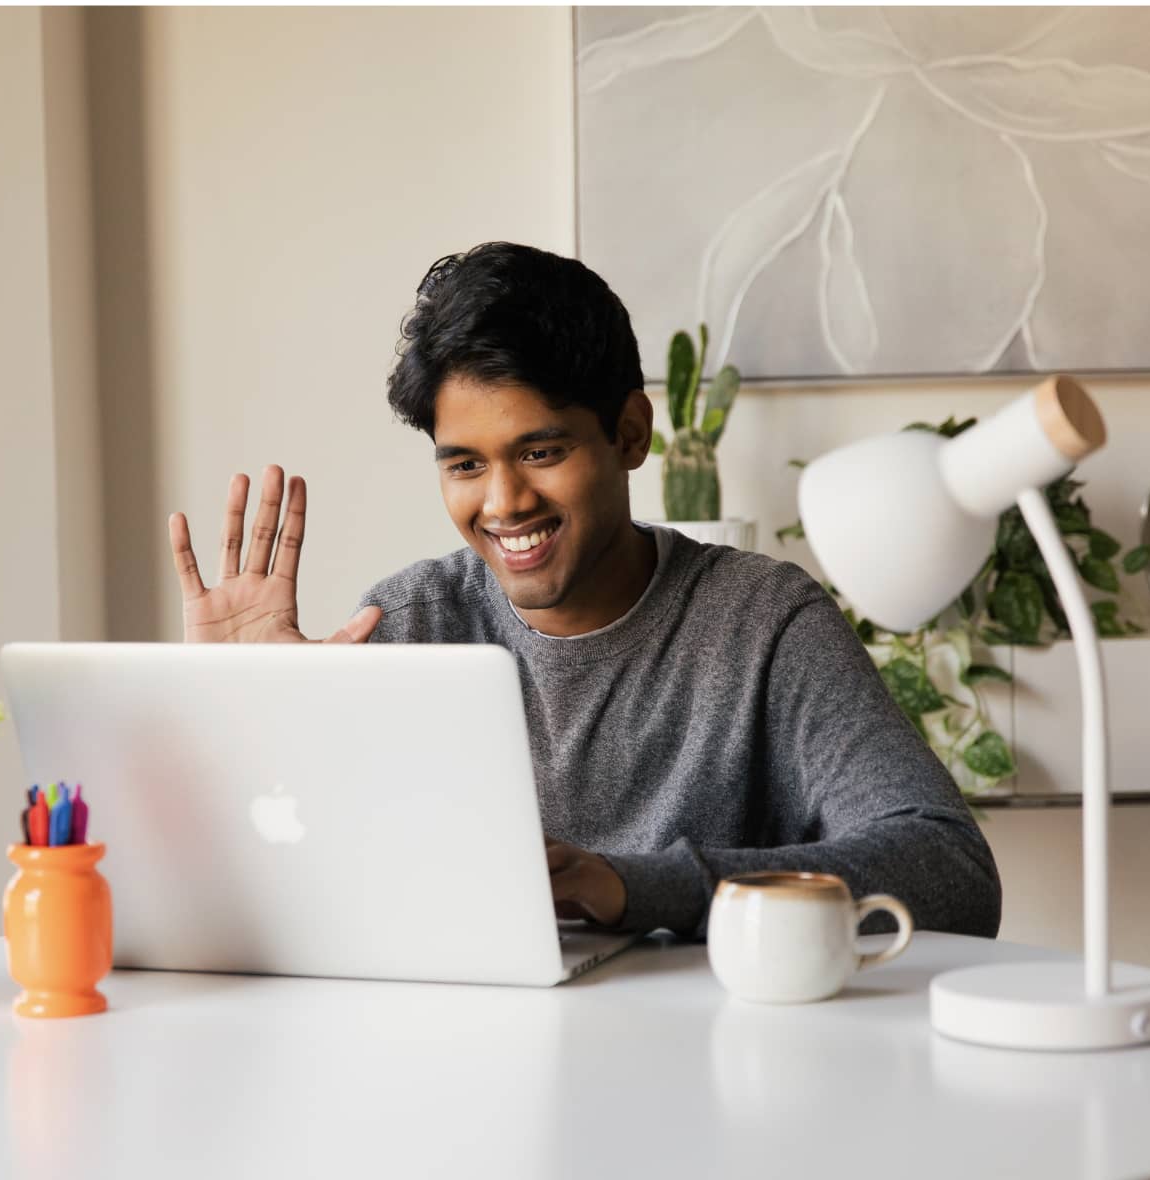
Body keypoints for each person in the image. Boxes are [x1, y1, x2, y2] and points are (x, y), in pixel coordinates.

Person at [167, 241, 1002, 941]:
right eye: (465, 464)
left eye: (540, 452)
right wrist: (242, 726)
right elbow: (277, 902)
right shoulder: (410, 623)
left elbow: (952, 876)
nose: (503, 504)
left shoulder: (762, 623)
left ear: (630, 433)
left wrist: (632, 886)